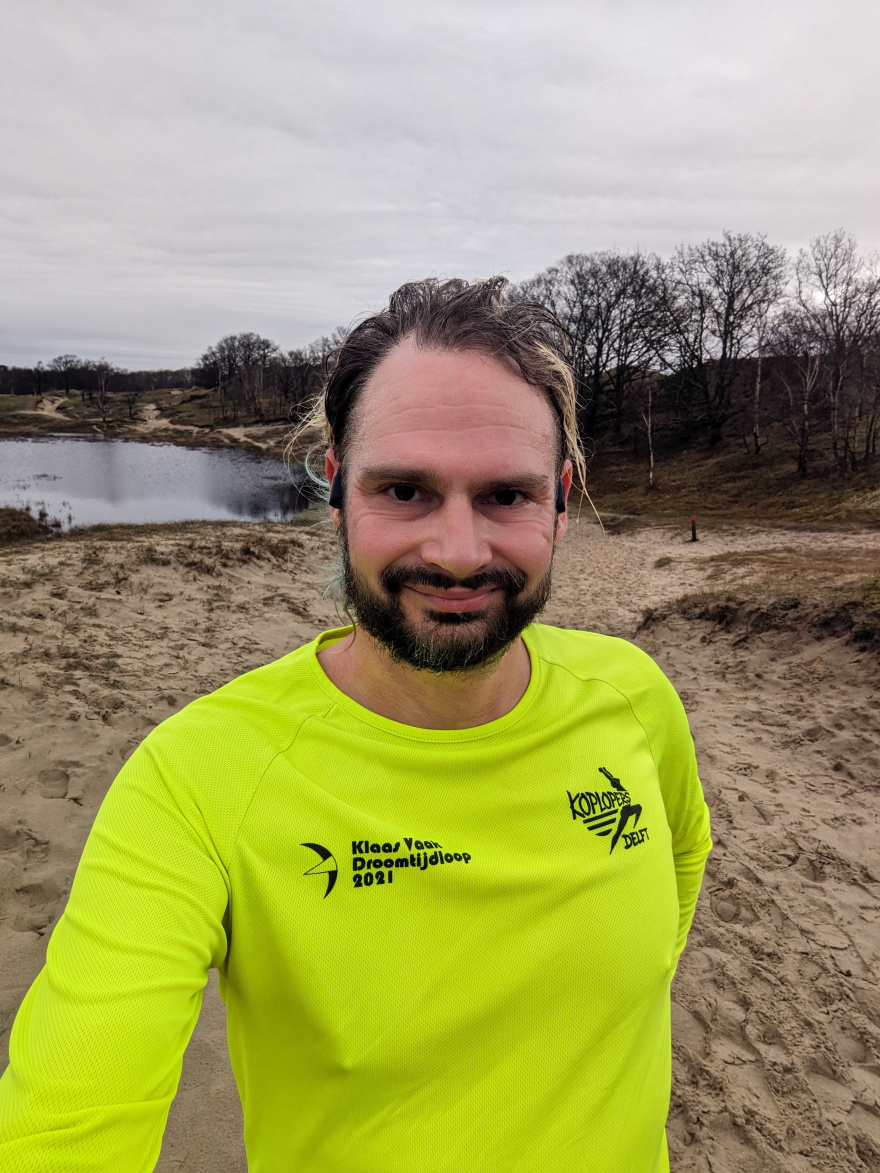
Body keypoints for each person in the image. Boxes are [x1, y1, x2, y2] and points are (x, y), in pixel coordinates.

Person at [0, 277, 711, 1172]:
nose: (457, 552)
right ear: (336, 487)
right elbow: (64, 1126)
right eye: (406, 490)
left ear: (561, 499)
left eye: (506, 496)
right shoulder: (196, 778)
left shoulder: (635, 696)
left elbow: (682, 855)